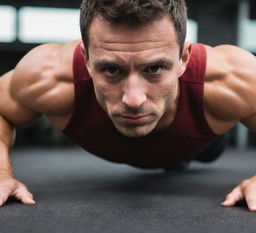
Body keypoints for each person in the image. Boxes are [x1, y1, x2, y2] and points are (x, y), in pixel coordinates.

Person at [0, 0, 256, 211]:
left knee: (209, 153)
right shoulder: (49, 76)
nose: (133, 100)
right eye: (111, 69)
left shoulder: (230, 79)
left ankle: (186, 157)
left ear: (184, 59)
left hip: (201, 144)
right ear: (86, 59)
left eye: (155, 68)